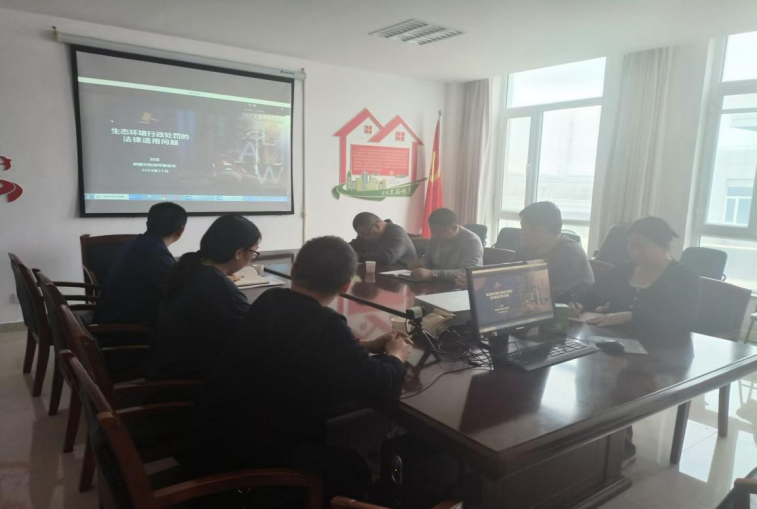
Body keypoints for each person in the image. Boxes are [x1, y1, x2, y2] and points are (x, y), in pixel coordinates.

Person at [184, 236, 411, 501]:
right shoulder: (326, 324)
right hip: (252, 452)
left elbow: (300, 341)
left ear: (293, 271)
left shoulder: (271, 299)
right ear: (345, 286)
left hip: (214, 431)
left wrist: (366, 345)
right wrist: (397, 354)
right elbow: (379, 384)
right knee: (354, 466)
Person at [144, 214, 260, 380]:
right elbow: (254, 333)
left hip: (165, 365)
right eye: (254, 252)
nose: (253, 258)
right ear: (239, 252)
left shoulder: (192, 267)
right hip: (186, 381)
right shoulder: (217, 286)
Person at [573, 216, 701, 337]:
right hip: (613, 340)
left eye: (642, 247)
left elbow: (680, 321)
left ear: (665, 247)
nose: (634, 252)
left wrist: (630, 317)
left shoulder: (684, 278)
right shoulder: (621, 271)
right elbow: (593, 295)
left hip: (663, 345)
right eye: (631, 246)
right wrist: (579, 304)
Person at [96, 202, 187, 327]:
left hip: (109, 319)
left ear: (147, 223)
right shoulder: (156, 256)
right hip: (125, 331)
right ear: (181, 231)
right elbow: (180, 294)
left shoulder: (137, 243)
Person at [513, 201, 594, 303]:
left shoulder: (569, 255)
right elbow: (507, 277)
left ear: (541, 232)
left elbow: (545, 296)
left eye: (523, 228)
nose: (520, 232)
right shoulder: (527, 248)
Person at [411, 208, 483, 281]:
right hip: (438, 282)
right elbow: (429, 259)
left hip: (460, 285)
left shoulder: (472, 241)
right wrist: (421, 264)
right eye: (432, 231)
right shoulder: (436, 236)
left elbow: (466, 272)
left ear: (454, 228)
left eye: (440, 232)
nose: (434, 235)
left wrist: (432, 274)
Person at [349, 212, 417, 267]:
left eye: (364, 234)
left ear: (377, 226)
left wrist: (353, 256)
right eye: (360, 235)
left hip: (401, 276)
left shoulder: (398, 233)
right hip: (379, 273)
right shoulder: (367, 232)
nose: (363, 237)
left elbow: (387, 258)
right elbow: (352, 247)